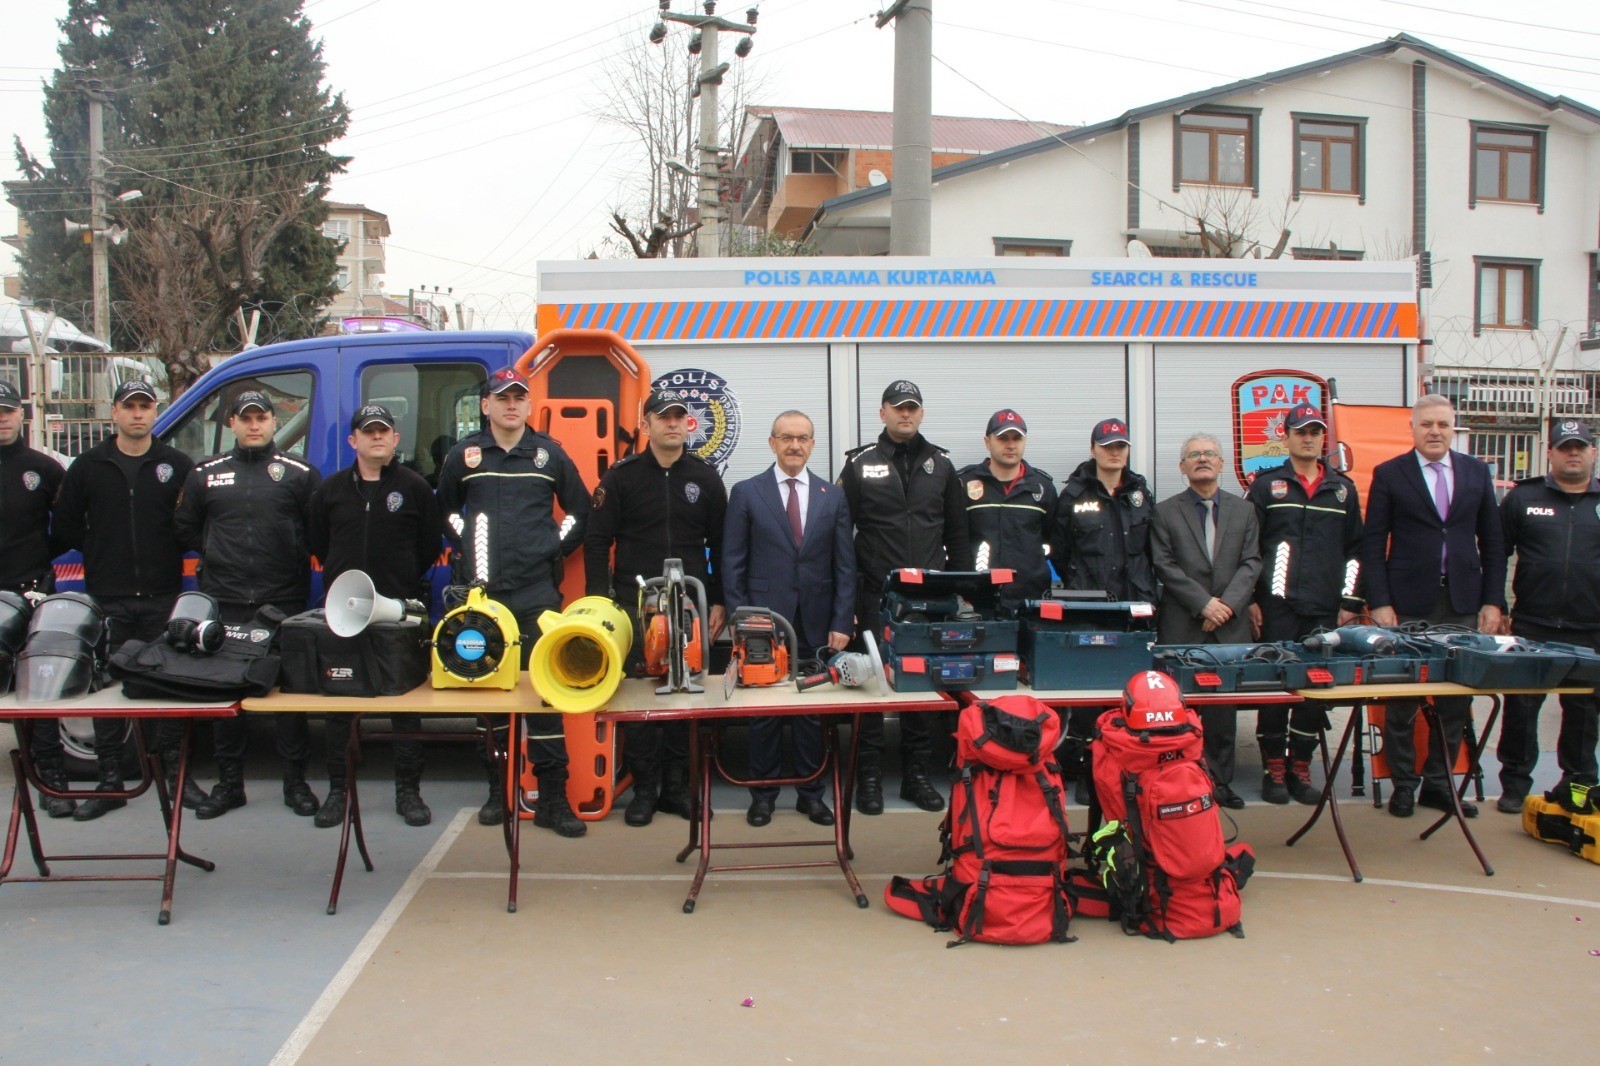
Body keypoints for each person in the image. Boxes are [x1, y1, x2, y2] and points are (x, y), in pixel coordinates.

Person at [437, 367, 592, 836]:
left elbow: (581, 511)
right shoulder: (462, 458)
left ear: (529, 406)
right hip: (482, 601)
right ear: (486, 406)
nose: (511, 404)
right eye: (502, 397)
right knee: (489, 697)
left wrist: (554, 548)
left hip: (535, 597)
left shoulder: (549, 455)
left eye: (519, 397)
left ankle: (553, 801)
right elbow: (444, 511)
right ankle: (496, 794)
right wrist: (467, 547)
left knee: (545, 697)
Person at [51, 379, 196, 820]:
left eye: (145, 406)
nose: (138, 414)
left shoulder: (176, 464)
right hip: (109, 596)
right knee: (108, 693)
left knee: (165, 692)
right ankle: (110, 781)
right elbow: (67, 528)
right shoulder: (89, 467)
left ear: (155, 413)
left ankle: (173, 779)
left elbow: (187, 525)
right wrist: (103, 550)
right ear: (114, 413)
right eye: (129, 406)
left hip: (161, 595)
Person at [174, 389, 322, 820]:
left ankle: (295, 784)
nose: (254, 425)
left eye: (262, 417)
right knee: (228, 698)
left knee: (288, 698)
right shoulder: (206, 474)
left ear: (275, 423)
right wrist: (218, 553)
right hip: (225, 601)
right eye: (245, 418)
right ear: (232, 425)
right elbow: (185, 529)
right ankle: (229, 785)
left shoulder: (299, 474)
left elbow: (316, 533)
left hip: (284, 601)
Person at [585, 386, 727, 827]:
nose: (671, 423)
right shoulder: (622, 478)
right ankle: (644, 791)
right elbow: (596, 541)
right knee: (643, 699)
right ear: (646, 424)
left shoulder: (704, 478)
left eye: (678, 417)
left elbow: (723, 545)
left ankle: (676, 789)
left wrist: (719, 597)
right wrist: (600, 601)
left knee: (686, 695)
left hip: (690, 607)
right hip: (636, 606)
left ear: (688, 425)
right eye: (662, 416)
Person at [1361, 394, 1505, 818]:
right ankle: (1404, 785)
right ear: (1413, 429)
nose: (1435, 431)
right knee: (1402, 701)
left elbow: (1493, 544)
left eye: (1442, 424)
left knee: (1456, 702)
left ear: (1453, 427)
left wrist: (1494, 600)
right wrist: (1382, 602)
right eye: (1426, 424)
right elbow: (1373, 544)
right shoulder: (1390, 474)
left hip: (1463, 602)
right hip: (1407, 606)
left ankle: (1440, 786)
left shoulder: (1477, 473)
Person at [837, 379, 970, 815]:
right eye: (897, 408)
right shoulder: (860, 463)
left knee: (922, 684)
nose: (905, 414)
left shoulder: (942, 465)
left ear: (921, 414)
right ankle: (869, 778)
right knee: (873, 684)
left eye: (912, 408)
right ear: (883, 413)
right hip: (877, 593)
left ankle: (916, 776)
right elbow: (841, 533)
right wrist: (849, 598)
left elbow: (957, 534)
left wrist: (959, 592)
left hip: (929, 599)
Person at [309, 404, 441, 829]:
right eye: (369, 432)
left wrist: (399, 586)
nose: (377, 437)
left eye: (385, 431)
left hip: (396, 612)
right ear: (354, 441)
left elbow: (427, 546)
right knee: (339, 709)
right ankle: (338, 791)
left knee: (405, 708)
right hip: (342, 613)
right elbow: (317, 542)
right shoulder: (329, 491)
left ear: (395, 439)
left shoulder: (416, 488)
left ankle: (408, 792)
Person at [723, 410, 855, 828]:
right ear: (772, 442)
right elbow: (732, 562)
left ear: (812, 444)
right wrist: (741, 621)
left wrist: (842, 620)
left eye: (802, 438)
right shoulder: (746, 492)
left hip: (817, 621)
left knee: (810, 713)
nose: (794, 445)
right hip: (763, 623)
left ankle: (810, 794)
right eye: (786, 437)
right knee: (762, 711)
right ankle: (762, 795)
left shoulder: (831, 496)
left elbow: (844, 567)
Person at [1243, 403, 1363, 805]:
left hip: (1324, 610)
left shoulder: (1342, 490)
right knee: (1276, 689)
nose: (1308, 438)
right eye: (1300, 431)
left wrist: (1349, 600)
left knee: (1315, 691)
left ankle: (1300, 766)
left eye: (1314, 431)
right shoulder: (1266, 487)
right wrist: (1253, 601)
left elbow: (1355, 551)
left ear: (1322, 438)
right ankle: (1273, 768)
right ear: (1286, 437)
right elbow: (1250, 550)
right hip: (1277, 607)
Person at [1150, 432, 1261, 808]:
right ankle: (1180, 781)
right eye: (1194, 454)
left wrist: (1226, 606)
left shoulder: (1244, 511)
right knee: (1181, 706)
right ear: (1182, 467)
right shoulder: (1164, 512)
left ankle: (1219, 782)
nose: (1202, 459)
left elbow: (1251, 563)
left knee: (1222, 710)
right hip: (1183, 622)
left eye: (1209, 454)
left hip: (1229, 626)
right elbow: (1164, 565)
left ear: (1222, 463)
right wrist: (1203, 604)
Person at [1494, 419, 1600, 813]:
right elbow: (1496, 554)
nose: (1573, 453)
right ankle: (1515, 785)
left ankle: (1578, 782)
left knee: (1584, 713)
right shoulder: (1523, 498)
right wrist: (1498, 605)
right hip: (1533, 626)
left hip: (1591, 629)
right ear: (1550, 452)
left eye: (1581, 446)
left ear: (1593, 452)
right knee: (1522, 708)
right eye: (1565, 446)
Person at [1049, 416, 1158, 797]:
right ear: (1093, 449)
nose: (1115, 452)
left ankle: (1124, 763)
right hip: (1089, 605)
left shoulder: (1140, 493)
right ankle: (1084, 764)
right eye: (1108, 446)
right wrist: (1080, 586)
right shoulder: (1074, 494)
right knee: (1089, 690)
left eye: (1121, 446)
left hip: (1134, 604)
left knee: (1129, 687)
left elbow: (1151, 550)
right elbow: (1059, 553)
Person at [0, 380, 70, 817]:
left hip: (31, 590)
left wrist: (41, 561)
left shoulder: (43, 468)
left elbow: (68, 525)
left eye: (7, 411)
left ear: (21, 415)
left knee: (36, 689)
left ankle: (49, 780)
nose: (1, 419)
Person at [956, 409, 1057, 608]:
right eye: (1003, 438)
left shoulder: (1043, 488)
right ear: (987, 442)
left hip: (1030, 600)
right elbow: (954, 541)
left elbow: (1055, 542)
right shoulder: (964, 484)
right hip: (977, 599)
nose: (1010, 445)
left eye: (1017, 438)